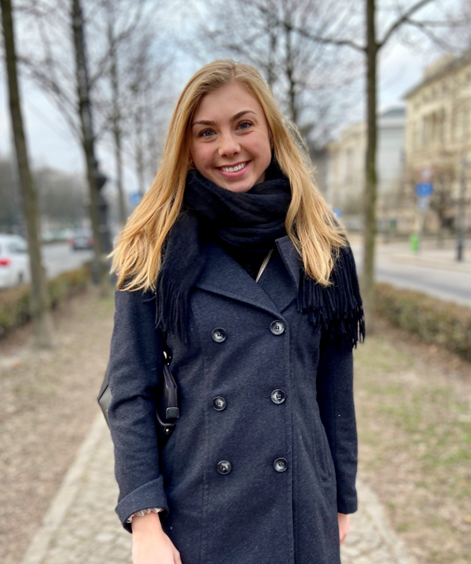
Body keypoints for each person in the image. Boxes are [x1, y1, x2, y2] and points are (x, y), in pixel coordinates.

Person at [108, 59, 364, 564]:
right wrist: (145, 521)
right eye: (207, 132)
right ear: (186, 147)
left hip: (302, 504)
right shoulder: (152, 248)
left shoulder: (322, 244)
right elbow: (130, 390)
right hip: (200, 511)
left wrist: (340, 497)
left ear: (269, 130)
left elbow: (335, 388)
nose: (228, 146)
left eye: (243, 124)